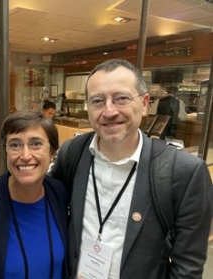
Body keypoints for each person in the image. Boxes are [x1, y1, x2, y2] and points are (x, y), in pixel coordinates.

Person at [49, 59, 212, 279]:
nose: (109, 111)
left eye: (122, 98)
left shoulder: (184, 172)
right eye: (97, 101)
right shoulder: (73, 153)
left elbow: (188, 267)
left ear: (144, 103)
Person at [0, 110, 68, 279]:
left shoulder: (60, 193)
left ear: (52, 152)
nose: (25, 156)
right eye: (15, 145)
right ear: (6, 151)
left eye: (36, 143)